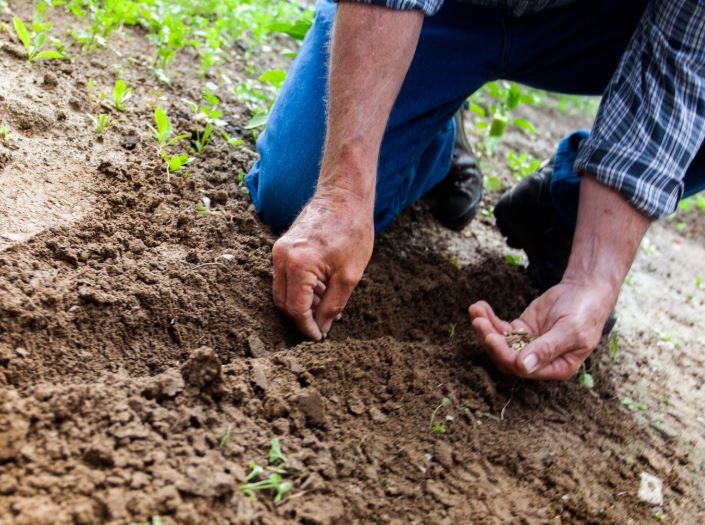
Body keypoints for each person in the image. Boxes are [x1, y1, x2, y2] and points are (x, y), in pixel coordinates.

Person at [244, 0, 705, 380]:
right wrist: (342, 191)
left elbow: (683, 67)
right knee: (297, 193)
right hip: (447, 12)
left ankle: (565, 208)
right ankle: (434, 131)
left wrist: (593, 278)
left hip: (600, 26)